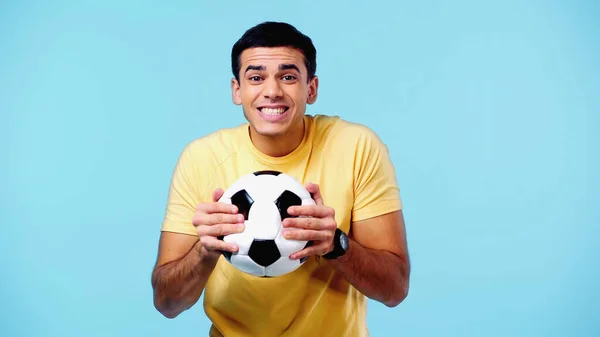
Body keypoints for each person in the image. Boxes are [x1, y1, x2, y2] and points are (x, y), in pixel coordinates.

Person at [151, 21, 411, 337]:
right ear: (237, 90)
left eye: (288, 77)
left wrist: (335, 244)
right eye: (256, 78)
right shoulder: (200, 157)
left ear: (311, 88)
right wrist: (204, 253)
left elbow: (395, 289)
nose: (272, 92)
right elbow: (166, 303)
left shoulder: (356, 146)